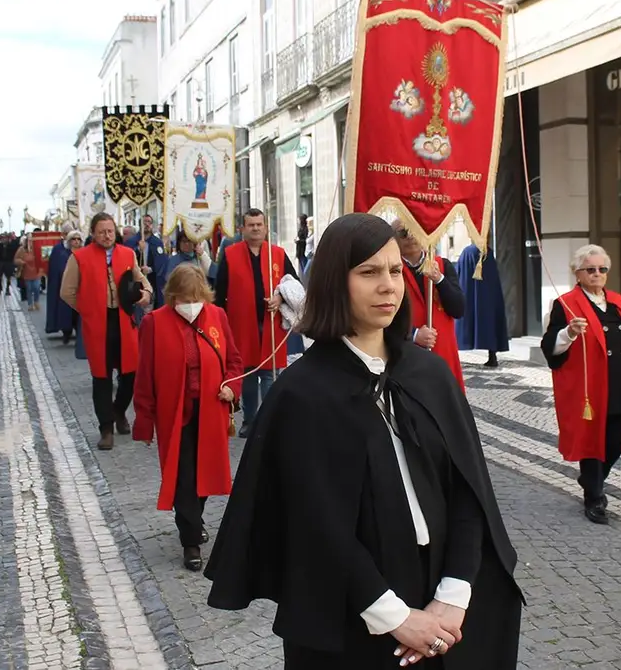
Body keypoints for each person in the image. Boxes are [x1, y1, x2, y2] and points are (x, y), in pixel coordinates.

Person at [205, 213, 523, 669]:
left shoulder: (429, 374)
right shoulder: (302, 394)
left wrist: (453, 595)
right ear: (336, 281)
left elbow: (469, 492)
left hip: (446, 601)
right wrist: (394, 617)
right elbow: (312, 524)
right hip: (350, 614)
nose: (389, 286)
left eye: (395, 271)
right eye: (369, 272)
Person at [133, 265, 242, 571]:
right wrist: (144, 420)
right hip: (175, 416)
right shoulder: (154, 323)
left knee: (205, 476)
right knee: (183, 480)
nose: (190, 304)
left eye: (196, 297)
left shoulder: (217, 316)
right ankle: (191, 541)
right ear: (173, 297)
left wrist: (231, 388)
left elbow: (233, 361)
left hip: (212, 412)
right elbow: (145, 376)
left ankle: (194, 520)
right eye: (184, 298)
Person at [540, 245, 621, 524]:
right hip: (590, 388)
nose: (597, 274)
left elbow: (620, 334)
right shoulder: (566, 304)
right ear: (578, 273)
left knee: (615, 437)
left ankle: (590, 478)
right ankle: (595, 496)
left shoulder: (616, 300)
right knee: (592, 439)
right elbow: (550, 345)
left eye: (602, 269)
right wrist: (569, 332)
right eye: (591, 269)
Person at [61, 213, 153, 450]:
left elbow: (143, 283)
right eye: (101, 231)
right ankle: (105, 428)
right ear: (93, 233)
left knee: (130, 375)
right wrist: (88, 309)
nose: (106, 235)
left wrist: (146, 294)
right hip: (97, 324)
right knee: (101, 377)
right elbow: (67, 291)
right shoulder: (79, 257)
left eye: (110, 230)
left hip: (124, 321)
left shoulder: (127, 254)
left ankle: (119, 410)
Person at [214, 208, 297, 437]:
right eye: (251, 225)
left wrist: (279, 297)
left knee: (270, 375)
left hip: (270, 324)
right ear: (243, 229)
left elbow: (294, 284)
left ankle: (268, 420)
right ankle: (250, 420)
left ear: (265, 227)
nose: (256, 228)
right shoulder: (230, 255)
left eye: (259, 224)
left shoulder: (278, 254)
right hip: (242, 325)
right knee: (248, 375)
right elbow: (219, 293)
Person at [392, 221, 466, 390]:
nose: (410, 236)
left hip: (443, 353)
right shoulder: (391, 270)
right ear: (394, 238)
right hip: (409, 355)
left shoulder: (442, 265)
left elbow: (458, 309)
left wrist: (440, 280)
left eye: (414, 230)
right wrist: (414, 334)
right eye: (403, 232)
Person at [454, 241, 508, 368]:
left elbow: (458, 273)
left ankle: (456, 357)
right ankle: (492, 356)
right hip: (488, 296)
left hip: (468, 294)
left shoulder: (467, 252)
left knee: (463, 323)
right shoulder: (488, 252)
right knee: (490, 321)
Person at [46, 230, 82, 344]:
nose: (76, 242)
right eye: (73, 239)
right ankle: (66, 333)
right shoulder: (62, 253)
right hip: (67, 287)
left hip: (81, 289)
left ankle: (79, 335)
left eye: (78, 239)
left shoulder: (85, 253)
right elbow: (59, 270)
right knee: (66, 312)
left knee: (79, 313)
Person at [15, 235, 43, 311]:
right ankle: (30, 304)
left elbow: (43, 258)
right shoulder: (21, 249)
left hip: (36, 272)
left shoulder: (37, 248)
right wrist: (21, 262)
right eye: (29, 240)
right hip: (27, 273)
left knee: (37, 288)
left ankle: (36, 301)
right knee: (29, 289)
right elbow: (16, 259)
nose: (30, 242)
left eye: (32, 240)